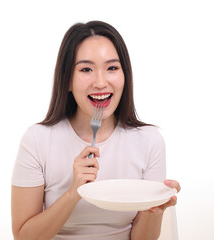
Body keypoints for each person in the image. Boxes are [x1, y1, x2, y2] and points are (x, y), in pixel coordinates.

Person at [11, 20, 181, 240]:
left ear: (125, 75)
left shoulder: (149, 141)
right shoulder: (37, 140)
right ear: (67, 80)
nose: (101, 82)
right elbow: (23, 237)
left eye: (112, 68)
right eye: (86, 69)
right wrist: (74, 193)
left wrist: (155, 208)